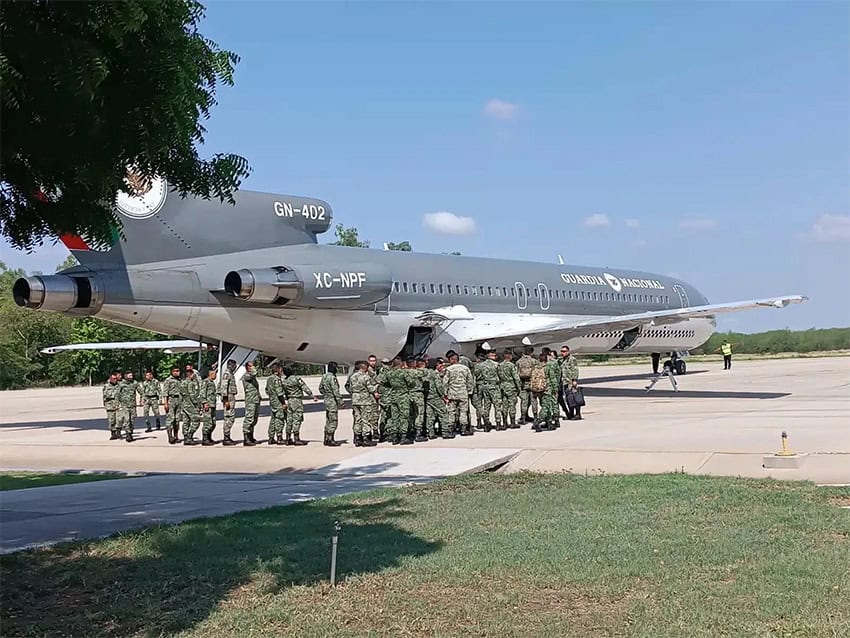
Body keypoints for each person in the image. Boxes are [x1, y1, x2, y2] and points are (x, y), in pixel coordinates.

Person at [282, 365, 318, 446]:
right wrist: (312, 396)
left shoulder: (284, 381)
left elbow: (283, 392)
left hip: (289, 401)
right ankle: (296, 438)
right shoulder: (296, 379)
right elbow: (304, 387)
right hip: (297, 401)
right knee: (297, 419)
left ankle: (288, 438)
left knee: (289, 419)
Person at [381, 357, 415, 445]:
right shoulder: (403, 372)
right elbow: (411, 383)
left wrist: (392, 386)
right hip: (403, 396)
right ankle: (403, 436)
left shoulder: (389, 373)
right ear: (400, 364)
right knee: (404, 416)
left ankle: (394, 437)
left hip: (393, 396)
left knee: (394, 416)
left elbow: (383, 382)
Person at [443, 351, 475, 436]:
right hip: (463, 393)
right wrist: (469, 391)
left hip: (452, 393)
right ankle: (463, 429)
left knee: (451, 412)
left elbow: (445, 382)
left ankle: (451, 430)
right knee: (463, 411)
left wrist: (445, 393)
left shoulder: (449, 369)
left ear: (452, 359)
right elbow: (470, 381)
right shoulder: (465, 368)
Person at [348, 360, 379, 447]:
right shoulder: (366, 377)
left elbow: (350, 388)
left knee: (357, 419)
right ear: (365, 368)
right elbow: (371, 389)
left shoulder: (352, 377)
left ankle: (357, 438)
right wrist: (377, 386)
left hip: (355, 400)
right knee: (366, 420)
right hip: (365, 401)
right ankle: (366, 438)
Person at [474, 350, 503, 430]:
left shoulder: (481, 365)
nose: (494, 355)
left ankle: (486, 423)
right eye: (493, 354)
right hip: (494, 386)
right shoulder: (497, 365)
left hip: (485, 386)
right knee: (497, 405)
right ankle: (498, 424)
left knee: (487, 405)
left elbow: (477, 375)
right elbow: (501, 376)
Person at [423, 358, 449, 439]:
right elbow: (439, 387)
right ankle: (445, 433)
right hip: (435, 397)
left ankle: (431, 433)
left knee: (430, 415)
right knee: (443, 413)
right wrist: (443, 396)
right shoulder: (434, 374)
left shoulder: (424, 373)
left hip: (428, 397)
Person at [319, 362, 343, 446]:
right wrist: (340, 402)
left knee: (328, 420)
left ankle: (326, 438)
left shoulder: (324, 376)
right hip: (332, 401)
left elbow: (320, 388)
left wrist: (326, 394)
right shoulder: (332, 378)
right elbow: (336, 391)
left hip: (326, 400)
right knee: (333, 420)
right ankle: (330, 439)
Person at [497, 350, 522, 429]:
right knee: (512, 405)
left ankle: (504, 423)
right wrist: (519, 387)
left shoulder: (499, 365)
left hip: (502, 386)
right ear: (510, 356)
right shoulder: (511, 365)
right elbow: (516, 378)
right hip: (511, 387)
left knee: (504, 405)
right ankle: (512, 422)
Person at [180, 367, 202, 445]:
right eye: (193, 374)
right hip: (190, 404)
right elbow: (192, 395)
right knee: (197, 420)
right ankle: (189, 436)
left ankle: (186, 437)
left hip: (184, 404)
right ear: (191, 374)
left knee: (186, 421)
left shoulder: (182, 382)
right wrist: (197, 405)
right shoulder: (190, 383)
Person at [406, 357, 427, 442]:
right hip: (418, 394)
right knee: (419, 413)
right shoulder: (418, 372)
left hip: (408, 394)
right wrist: (420, 366)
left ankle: (410, 431)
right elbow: (425, 372)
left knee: (410, 414)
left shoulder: (404, 373)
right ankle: (418, 433)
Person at [218, 359, 238, 446]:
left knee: (230, 417)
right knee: (229, 417)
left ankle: (227, 436)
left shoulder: (230, 374)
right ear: (230, 365)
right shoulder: (227, 374)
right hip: (228, 398)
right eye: (234, 365)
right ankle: (226, 437)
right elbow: (223, 387)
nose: (235, 367)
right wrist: (225, 400)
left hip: (231, 397)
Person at [265, 363, 286, 445]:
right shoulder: (276, 379)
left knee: (273, 419)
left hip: (272, 401)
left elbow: (267, 390)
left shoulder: (269, 378)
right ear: (277, 369)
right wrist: (283, 403)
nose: (281, 371)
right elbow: (279, 393)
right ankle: (279, 438)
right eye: (280, 369)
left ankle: (271, 437)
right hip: (278, 402)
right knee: (279, 419)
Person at [515, 346, 537, 423]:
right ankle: (536, 417)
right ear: (531, 352)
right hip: (532, 383)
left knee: (524, 401)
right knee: (533, 401)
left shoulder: (518, 362)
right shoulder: (534, 361)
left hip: (523, 384)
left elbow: (516, 374)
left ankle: (523, 417)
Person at [241, 361, 260, 446]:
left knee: (254, 419)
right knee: (249, 418)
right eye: (251, 366)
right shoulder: (246, 375)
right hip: (250, 400)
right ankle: (246, 438)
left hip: (255, 399)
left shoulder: (252, 376)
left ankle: (251, 436)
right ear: (247, 367)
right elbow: (254, 373)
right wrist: (253, 369)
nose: (253, 367)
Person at [162, 365, 182, 444]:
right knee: (170, 419)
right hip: (171, 400)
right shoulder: (168, 380)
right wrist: (166, 403)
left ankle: (176, 436)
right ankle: (170, 437)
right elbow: (165, 393)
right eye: (175, 371)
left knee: (177, 420)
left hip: (179, 400)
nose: (177, 372)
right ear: (172, 372)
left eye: (178, 371)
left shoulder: (180, 380)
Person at [116, 370, 138, 442]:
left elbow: (141, 391)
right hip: (124, 405)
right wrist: (118, 404)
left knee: (132, 420)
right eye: (130, 375)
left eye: (132, 375)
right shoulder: (121, 384)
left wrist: (142, 399)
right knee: (127, 420)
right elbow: (117, 394)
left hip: (132, 405)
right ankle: (128, 434)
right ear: (126, 376)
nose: (131, 377)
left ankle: (130, 432)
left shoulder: (135, 383)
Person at [559, 345, 580, 419]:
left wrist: (574, 380)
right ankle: (571, 414)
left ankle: (578, 414)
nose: (562, 353)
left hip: (570, 382)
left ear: (568, 351)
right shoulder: (562, 360)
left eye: (564, 351)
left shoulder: (572, 359)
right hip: (565, 382)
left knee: (574, 398)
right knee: (569, 399)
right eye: (561, 351)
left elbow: (575, 370)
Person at [200, 368, 218, 445]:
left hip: (212, 404)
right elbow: (202, 393)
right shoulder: (206, 382)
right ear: (211, 374)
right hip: (208, 405)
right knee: (207, 422)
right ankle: (205, 439)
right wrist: (205, 403)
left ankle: (209, 437)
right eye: (214, 374)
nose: (216, 375)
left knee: (213, 423)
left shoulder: (212, 382)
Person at [102, 371, 121, 440]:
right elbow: (106, 395)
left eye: (116, 378)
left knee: (119, 420)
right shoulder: (106, 386)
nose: (114, 380)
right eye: (113, 379)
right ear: (110, 379)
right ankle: (113, 433)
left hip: (118, 405)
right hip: (110, 406)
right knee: (112, 420)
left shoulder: (119, 385)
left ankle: (119, 432)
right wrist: (114, 394)